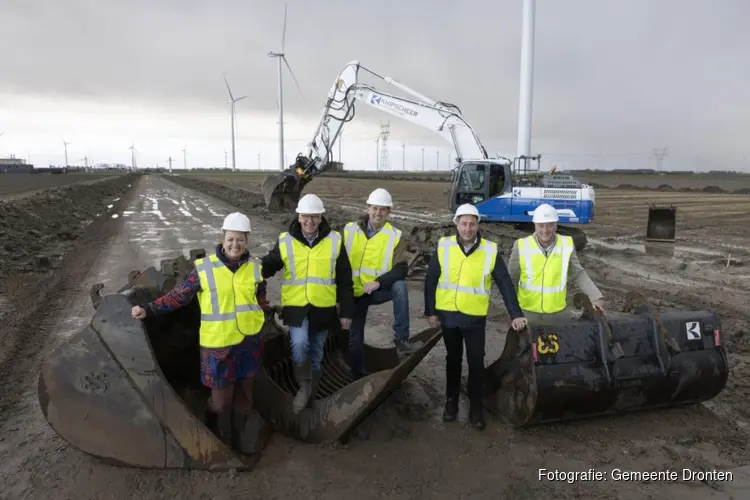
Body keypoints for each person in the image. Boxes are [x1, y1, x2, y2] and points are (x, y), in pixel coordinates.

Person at [131, 212, 267, 453]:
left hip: (249, 343)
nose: (235, 245)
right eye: (231, 239)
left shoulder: (256, 268)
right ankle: (214, 429)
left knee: (245, 396)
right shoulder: (204, 270)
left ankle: (238, 438)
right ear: (223, 238)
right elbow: (178, 296)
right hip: (218, 346)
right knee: (221, 401)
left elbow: (260, 301)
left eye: (240, 240)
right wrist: (149, 309)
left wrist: (268, 315)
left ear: (247, 240)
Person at [424, 203, 528, 430]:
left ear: (478, 225)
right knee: (452, 360)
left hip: (474, 319)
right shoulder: (444, 246)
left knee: (476, 362)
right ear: (457, 224)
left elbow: (504, 283)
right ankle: (451, 403)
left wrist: (515, 314)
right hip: (448, 316)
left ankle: (476, 407)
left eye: (472, 224)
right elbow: (431, 280)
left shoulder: (490, 250)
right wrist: (430, 311)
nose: (468, 228)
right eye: (464, 223)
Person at [260, 193, 355, 414]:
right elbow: (269, 264)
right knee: (300, 345)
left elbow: (344, 279)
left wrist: (346, 313)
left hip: (323, 309)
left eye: (314, 216)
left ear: (321, 218)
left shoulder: (335, 240)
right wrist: (247, 267)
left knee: (317, 353)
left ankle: (311, 397)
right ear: (299, 216)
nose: (309, 221)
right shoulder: (285, 240)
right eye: (305, 216)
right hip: (296, 307)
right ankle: (304, 386)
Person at [344, 188, 423, 380]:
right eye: (375, 208)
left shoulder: (395, 236)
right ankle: (357, 376)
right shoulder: (349, 230)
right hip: (354, 293)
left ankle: (401, 339)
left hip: (376, 290)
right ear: (368, 208)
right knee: (354, 337)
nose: (378, 213)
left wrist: (378, 283)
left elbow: (401, 269)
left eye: (383, 210)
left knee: (400, 287)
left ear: (389, 213)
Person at [506, 203, 604, 324]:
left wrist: (595, 296)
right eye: (541, 225)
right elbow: (511, 279)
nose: (545, 230)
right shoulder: (521, 245)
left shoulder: (566, 244)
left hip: (558, 314)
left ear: (556, 225)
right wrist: (514, 312)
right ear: (535, 225)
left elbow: (578, 273)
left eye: (550, 225)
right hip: (528, 314)